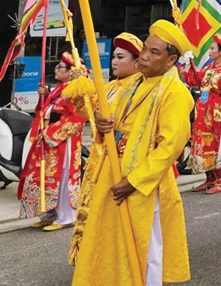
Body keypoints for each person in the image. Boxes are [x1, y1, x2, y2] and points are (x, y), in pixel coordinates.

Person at [72, 20, 194, 285]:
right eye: (145, 49)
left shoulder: (176, 92)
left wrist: (135, 181)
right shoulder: (130, 83)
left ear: (171, 60)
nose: (144, 57)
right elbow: (111, 122)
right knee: (109, 244)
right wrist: (105, 125)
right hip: (112, 174)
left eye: (154, 53)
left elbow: (170, 147)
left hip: (144, 186)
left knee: (144, 250)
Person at [69, 33, 143, 264]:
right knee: (91, 212)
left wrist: (109, 125)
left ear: (136, 62)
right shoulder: (110, 86)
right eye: (113, 56)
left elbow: (135, 125)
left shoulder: (141, 88)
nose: (113, 61)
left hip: (118, 163)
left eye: (120, 57)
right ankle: (91, 260)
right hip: (97, 160)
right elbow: (90, 110)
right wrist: (81, 86)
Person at [18, 51, 86, 231]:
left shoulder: (77, 89)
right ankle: (49, 212)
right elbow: (45, 111)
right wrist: (44, 95)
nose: (56, 69)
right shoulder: (58, 88)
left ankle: (66, 216)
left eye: (60, 67)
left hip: (63, 141)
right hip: (49, 141)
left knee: (63, 176)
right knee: (47, 176)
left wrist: (51, 131)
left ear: (71, 71)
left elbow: (78, 117)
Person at [182, 34, 221, 194]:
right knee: (202, 144)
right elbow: (193, 80)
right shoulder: (208, 68)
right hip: (202, 114)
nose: (210, 50)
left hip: (216, 114)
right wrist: (189, 64)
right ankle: (210, 179)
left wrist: (215, 95)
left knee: (215, 144)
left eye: (213, 48)